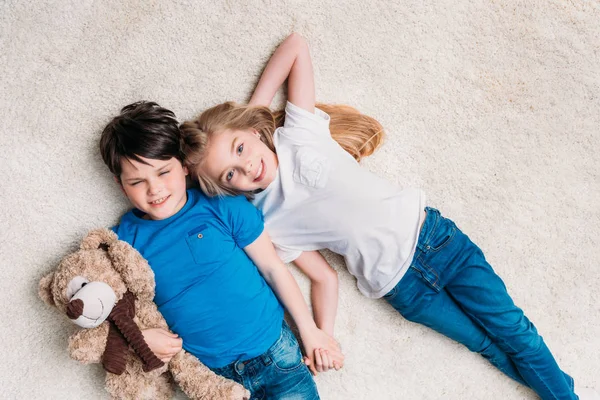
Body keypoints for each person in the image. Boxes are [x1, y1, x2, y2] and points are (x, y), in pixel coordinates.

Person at [178, 33, 599, 399]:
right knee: (487, 346)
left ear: (254, 133)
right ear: (227, 187)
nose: (246, 167)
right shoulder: (266, 223)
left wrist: (250, 115)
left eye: (240, 150)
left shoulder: (296, 134)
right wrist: (322, 333)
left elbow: (296, 47)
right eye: (229, 173)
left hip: (437, 241)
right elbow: (323, 277)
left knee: (516, 333)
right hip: (403, 289)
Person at [99, 100, 344, 400]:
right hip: (213, 379)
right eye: (137, 181)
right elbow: (97, 304)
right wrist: (137, 339)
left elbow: (273, 268)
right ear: (120, 185)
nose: (155, 189)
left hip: (276, 351)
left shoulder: (221, 206)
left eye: (164, 172)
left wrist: (309, 330)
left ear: (184, 165)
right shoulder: (122, 242)